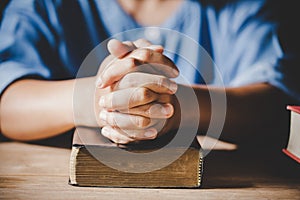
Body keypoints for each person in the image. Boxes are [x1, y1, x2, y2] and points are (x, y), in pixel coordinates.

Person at [0, 0, 299, 147]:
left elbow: (276, 108)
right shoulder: (42, 5)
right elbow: (7, 104)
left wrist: (175, 104)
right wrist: (98, 99)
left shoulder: (242, 8)